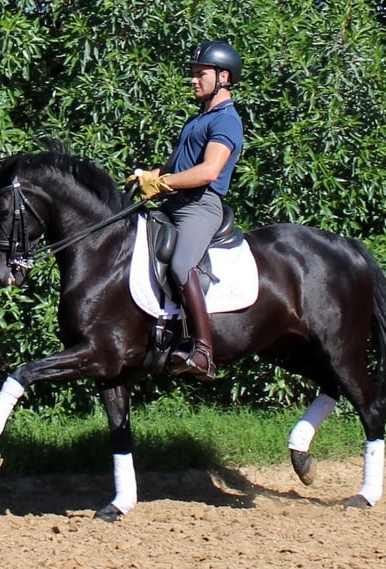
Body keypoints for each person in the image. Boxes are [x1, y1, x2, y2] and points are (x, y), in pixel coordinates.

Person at [128, 40, 243, 381]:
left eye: (200, 74)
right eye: (193, 74)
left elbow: (208, 171)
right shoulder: (198, 120)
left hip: (200, 206)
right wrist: (148, 178)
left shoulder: (227, 121)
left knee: (181, 264)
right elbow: (174, 168)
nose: (193, 80)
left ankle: (204, 352)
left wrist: (163, 184)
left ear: (223, 77)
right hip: (175, 202)